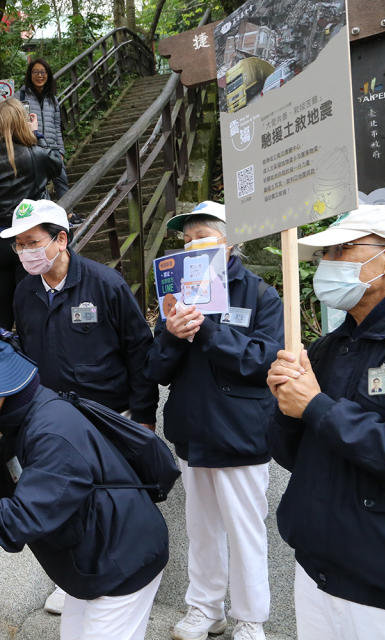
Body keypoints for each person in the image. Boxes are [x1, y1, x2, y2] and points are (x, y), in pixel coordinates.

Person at [0, 326, 168, 640]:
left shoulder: (51, 434)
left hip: (123, 558)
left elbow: (26, 516)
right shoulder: (24, 420)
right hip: (94, 557)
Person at [266, 204, 385, 639]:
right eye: (322, 256)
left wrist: (315, 407)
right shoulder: (328, 347)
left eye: (340, 250)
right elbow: (293, 454)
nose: (326, 265)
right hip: (317, 568)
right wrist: (285, 406)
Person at [4, 198, 159, 615]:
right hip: (55, 421)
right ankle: (72, 578)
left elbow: (139, 352)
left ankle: (126, 575)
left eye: (32, 242)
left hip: (108, 417)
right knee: (63, 501)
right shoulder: (25, 293)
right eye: (19, 245)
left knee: (110, 504)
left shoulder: (104, 284)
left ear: (61, 240)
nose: (25, 252)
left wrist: (144, 417)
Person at [144, 201, 283, 640]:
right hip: (192, 432)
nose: (191, 246)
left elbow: (263, 361)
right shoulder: (175, 296)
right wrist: (171, 334)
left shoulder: (261, 294)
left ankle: (250, 618)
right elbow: (155, 369)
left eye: (201, 236)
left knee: (245, 532)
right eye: (185, 240)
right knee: (201, 529)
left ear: (229, 241)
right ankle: (205, 609)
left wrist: (207, 331)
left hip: (241, 434)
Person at [0, 97, 62, 329]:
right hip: (30, 243)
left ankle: (4, 363)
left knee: (2, 319)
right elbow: (56, 163)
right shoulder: (35, 154)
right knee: (32, 316)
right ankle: (33, 364)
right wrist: (37, 135)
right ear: (21, 123)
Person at [19, 57, 69, 199]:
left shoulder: (52, 99)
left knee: (62, 180)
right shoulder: (21, 97)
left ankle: (69, 214)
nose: (40, 76)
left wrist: (61, 150)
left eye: (43, 72)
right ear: (30, 75)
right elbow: (11, 119)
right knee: (38, 185)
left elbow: (56, 126)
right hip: (32, 147)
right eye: (36, 72)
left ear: (48, 74)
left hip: (52, 148)